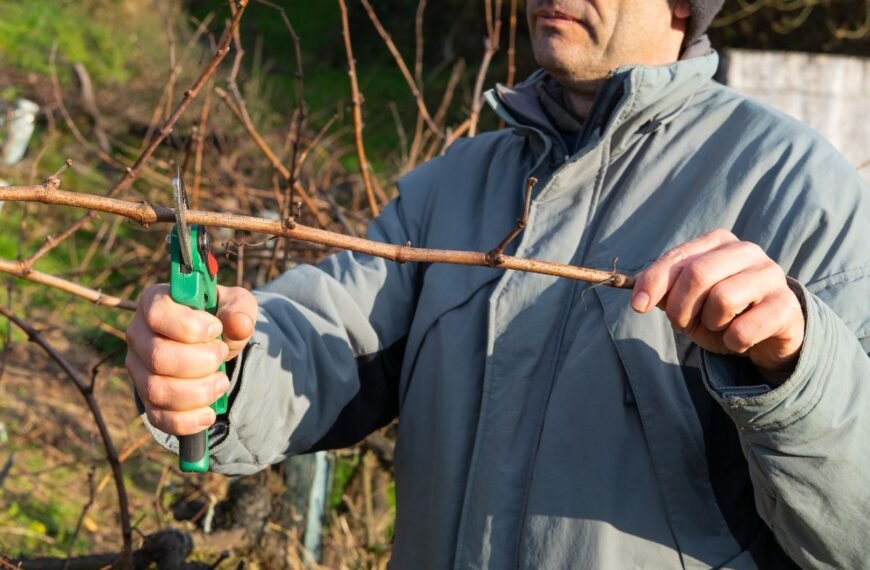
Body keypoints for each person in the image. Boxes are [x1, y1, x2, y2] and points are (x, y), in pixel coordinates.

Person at [126, 1, 870, 567]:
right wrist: (216, 364)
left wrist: (795, 367)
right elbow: (325, 338)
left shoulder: (798, 190)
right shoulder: (454, 185)